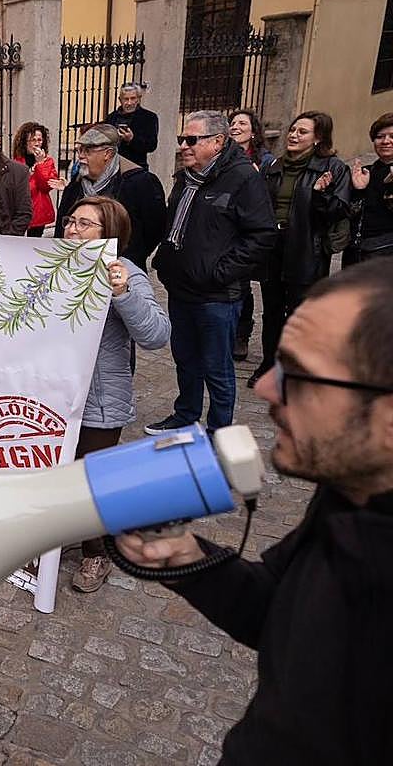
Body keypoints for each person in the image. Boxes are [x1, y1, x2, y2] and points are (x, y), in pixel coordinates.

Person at [115, 258, 393, 765]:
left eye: (300, 376)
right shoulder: (350, 489)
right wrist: (187, 559)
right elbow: (283, 614)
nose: (265, 388)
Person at [61, 196, 170, 592]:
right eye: (70, 221)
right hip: (56, 392)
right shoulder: (54, 264)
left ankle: (97, 553)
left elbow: (156, 334)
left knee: (92, 479)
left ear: (108, 233)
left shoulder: (125, 273)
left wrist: (123, 293)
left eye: (84, 224)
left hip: (99, 397)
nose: (72, 230)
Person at [148, 111, 275, 435]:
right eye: (182, 139)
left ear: (218, 142)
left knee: (217, 369)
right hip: (181, 288)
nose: (184, 146)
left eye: (192, 140)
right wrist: (166, 263)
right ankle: (185, 415)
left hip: (217, 296)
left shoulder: (243, 178)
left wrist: (220, 272)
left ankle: (219, 433)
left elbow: (261, 235)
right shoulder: (186, 177)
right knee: (186, 360)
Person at [251, 112, 352, 388]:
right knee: (272, 311)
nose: (293, 135)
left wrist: (321, 194)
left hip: (307, 247)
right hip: (275, 246)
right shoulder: (275, 166)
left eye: (302, 132)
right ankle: (269, 363)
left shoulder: (333, 168)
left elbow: (339, 211)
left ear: (318, 138)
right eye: (293, 130)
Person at [55, 124, 166, 269]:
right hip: (78, 266)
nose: (81, 156)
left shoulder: (140, 183)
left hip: (121, 269)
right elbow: (61, 227)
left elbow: (155, 230)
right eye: (80, 150)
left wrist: (131, 257)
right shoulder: (75, 186)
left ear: (108, 154)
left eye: (87, 150)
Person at [227, 109, 275, 361]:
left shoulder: (265, 161)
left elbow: (269, 197)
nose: (235, 127)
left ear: (253, 132)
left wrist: (257, 179)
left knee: (242, 284)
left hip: (247, 227)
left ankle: (242, 334)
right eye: (233, 123)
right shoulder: (223, 156)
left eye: (242, 123)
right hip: (227, 226)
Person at [345, 112, 393, 263]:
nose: (386, 141)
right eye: (380, 136)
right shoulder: (365, 172)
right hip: (357, 250)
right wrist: (359, 190)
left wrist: (390, 189)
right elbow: (350, 213)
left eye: (392, 136)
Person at [10, 122, 62, 237]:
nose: (37, 144)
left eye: (39, 140)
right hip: (20, 210)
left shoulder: (47, 161)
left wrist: (40, 164)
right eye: (33, 140)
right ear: (24, 142)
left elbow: (46, 186)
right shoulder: (16, 162)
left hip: (39, 211)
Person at [105, 82, 159, 170]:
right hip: (112, 167)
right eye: (126, 99)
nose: (129, 103)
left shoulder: (149, 117)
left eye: (133, 98)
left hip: (136, 167)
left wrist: (131, 139)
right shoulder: (111, 117)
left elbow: (151, 145)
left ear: (138, 99)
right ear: (120, 100)